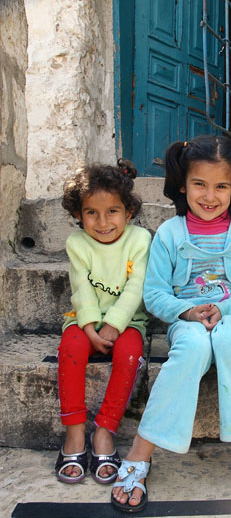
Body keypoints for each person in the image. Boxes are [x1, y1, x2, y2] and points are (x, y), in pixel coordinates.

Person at [111, 135, 231, 511]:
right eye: (199, 184)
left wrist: (227, 308)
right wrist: (186, 312)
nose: (209, 195)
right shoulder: (169, 233)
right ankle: (142, 449)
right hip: (188, 323)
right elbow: (154, 295)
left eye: (221, 186)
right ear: (183, 184)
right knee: (194, 346)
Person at [55, 160, 151, 485]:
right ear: (78, 215)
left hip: (128, 322)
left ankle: (105, 431)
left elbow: (136, 288)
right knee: (69, 348)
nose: (103, 221)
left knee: (129, 354)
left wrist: (113, 326)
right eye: (91, 212)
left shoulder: (139, 240)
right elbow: (81, 288)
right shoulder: (77, 243)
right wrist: (89, 327)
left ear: (129, 211)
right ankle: (75, 434)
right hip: (84, 321)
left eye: (113, 211)